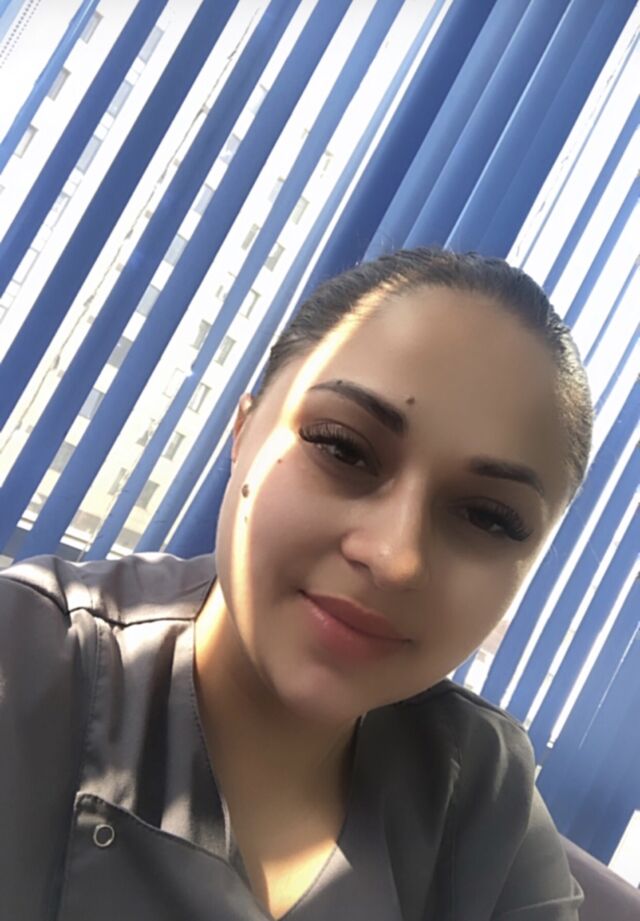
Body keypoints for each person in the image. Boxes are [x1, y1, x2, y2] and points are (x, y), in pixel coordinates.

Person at [0, 248, 591, 920]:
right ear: (242, 431)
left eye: (487, 516)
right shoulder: (28, 658)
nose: (396, 558)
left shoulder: (482, 790)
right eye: (343, 447)